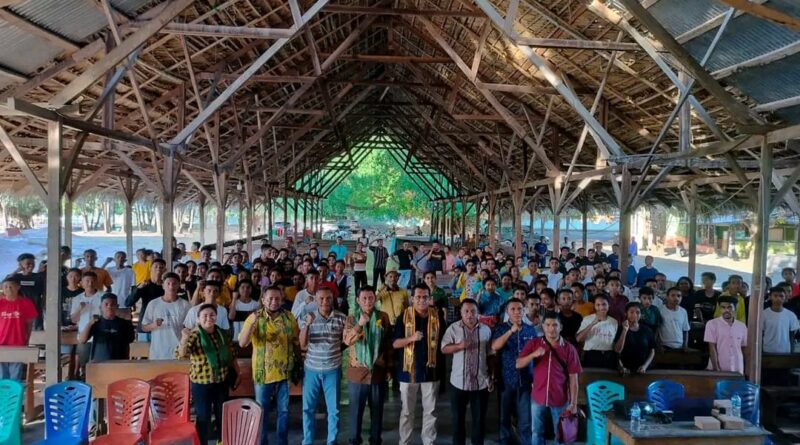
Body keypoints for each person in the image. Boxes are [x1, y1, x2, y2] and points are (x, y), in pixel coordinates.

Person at [239, 286, 301, 445]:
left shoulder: (289, 317)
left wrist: (298, 364)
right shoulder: (254, 317)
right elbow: (242, 342)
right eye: (270, 299)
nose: (274, 302)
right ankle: (262, 442)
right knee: (261, 411)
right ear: (263, 300)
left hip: (284, 372)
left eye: (277, 299)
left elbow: (295, 342)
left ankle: (282, 442)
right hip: (263, 373)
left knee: (284, 411)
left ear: (282, 300)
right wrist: (252, 323)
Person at [176, 304, 241, 445]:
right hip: (201, 384)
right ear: (198, 319)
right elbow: (181, 355)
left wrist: (238, 372)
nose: (209, 318)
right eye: (205, 315)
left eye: (212, 315)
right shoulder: (194, 335)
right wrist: (184, 339)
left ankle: (222, 442)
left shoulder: (222, 334)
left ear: (216, 317)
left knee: (222, 415)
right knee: (203, 417)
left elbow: (232, 355)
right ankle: (202, 442)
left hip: (221, 382)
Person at [517, 313, 581, 445]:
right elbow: (518, 363)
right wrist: (534, 354)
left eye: (555, 325)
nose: (551, 329)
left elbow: (573, 378)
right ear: (543, 327)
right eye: (548, 325)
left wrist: (573, 404)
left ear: (561, 327)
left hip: (560, 398)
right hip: (538, 396)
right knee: (536, 432)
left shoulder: (569, 349)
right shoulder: (534, 343)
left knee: (561, 433)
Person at [393, 284, 445, 445]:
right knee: (407, 412)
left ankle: (428, 441)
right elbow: (395, 343)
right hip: (408, 372)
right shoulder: (403, 316)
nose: (422, 300)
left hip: (431, 371)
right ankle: (405, 442)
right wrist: (411, 339)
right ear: (412, 298)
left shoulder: (437, 317)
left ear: (430, 298)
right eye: (418, 297)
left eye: (425, 297)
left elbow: (443, 345)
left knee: (431, 412)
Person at [343, 286, 393, 445]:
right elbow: (347, 341)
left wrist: (389, 367)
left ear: (375, 299)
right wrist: (359, 324)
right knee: (355, 412)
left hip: (377, 372)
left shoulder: (383, 317)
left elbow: (388, 344)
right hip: (357, 373)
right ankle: (354, 440)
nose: (368, 301)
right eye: (364, 298)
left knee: (377, 411)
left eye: (371, 298)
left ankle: (376, 440)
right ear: (357, 300)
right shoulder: (351, 318)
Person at [441, 299, 492, 445]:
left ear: (478, 313)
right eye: (466, 311)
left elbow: (490, 354)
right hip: (458, 383)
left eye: (473, 311)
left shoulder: (486, 330)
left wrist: (491, 376)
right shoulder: (453, 328)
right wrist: (459, 346)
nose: (470, 315)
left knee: (479, 420)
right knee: (458, 420)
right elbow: (443, 348)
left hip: (480, 383)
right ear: (461, 313)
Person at [299, 287, 346, 445]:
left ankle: (331, 441)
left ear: (332, 299)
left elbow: (347, 341)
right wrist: (307, 325)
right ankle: (307, 441)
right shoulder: (309, 317)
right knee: (308, 409)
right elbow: (302, 344)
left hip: (332, 370)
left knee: (334, 410)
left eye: (328, 298)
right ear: (316, 300)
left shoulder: (341, 318)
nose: (325, 302)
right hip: (311, 369)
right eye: (321, 299)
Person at [492, 298, 538, 445]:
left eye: (520, 309)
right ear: (507, 312)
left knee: (525, 419)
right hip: (506, 379)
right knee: (504, 417)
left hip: (526, 380)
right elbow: (495, 346)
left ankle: (526, 442)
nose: (517, 312)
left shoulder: (531, 330)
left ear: (524, 311)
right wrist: (511, 331)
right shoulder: (501, 328)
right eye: (513, 309)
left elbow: (536, 354)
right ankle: (504, 440)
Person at [141, 272, 191, 360]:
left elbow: (190, 327)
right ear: (163, 285)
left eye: (174, 283)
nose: (171, 286)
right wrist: (154, 325)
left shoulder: (185, 305)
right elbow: (144, 327)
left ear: (178, 285)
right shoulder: (153, 304)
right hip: (158, 352)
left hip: (178, 351)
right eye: (168, 283)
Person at [0, 276, 38, 380]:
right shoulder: (0, 303)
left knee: (15, 375)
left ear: (18, 287)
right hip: (1, 342)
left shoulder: (26, 303)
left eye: (11, 286)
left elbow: (29, 325)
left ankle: (15, 396)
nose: (8, 289)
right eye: (6, 287)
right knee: (2, 376)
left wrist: (27, 340)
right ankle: (3, 396)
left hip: (18, 342)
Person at [79, 293, 135, 361]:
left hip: (120, 364)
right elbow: (82, 340)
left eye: (112, 304)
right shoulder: (95, 323)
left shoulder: (125, 323)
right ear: (100, 307)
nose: (109, 307)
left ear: (117, 306)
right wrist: (90, 323)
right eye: (106, 304)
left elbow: (130, 340)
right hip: (99, 363)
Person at [761, 286, 800, 384]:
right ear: (770, 297)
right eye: (775, 296)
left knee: (783, 379)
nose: (778, 298)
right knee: (768, 379)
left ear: (785, 297)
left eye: (781, 296)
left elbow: (792, 336)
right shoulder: (764, 314)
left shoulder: (790, 315)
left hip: (784, 353)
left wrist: (791, 353)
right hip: (768, 351)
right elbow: (761, 334)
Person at [71, 271, 102, 378]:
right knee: (84, 365)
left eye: (92, 281)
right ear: (82, 283)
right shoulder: (77, 299)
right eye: (87, 281)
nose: (90, 283)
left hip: (100, 335)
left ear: (96, 282)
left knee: (99, 365)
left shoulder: (102, 296)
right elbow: (74, 320)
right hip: (84, 336)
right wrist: (80, 308)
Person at [704, 296, 747, 374]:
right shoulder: (712, 324)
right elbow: (712, 348)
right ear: (719, 308)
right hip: (719, 367)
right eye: (723, 307)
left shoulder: (742, 326)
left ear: (735, 308)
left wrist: (745, 367)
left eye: (730, 307)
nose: (726, 310)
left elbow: (743, 348)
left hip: (737, 368)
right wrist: (716, 368)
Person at [576, 294, 618, 369]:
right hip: (591, 355)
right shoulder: (587, 319)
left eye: (604, 304)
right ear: (594, 306)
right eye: (598, 305)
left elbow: (615, 343)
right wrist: (592, 324)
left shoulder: (614, 322)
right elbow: (578, 339)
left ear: (609, 305)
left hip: (609, 356)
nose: (601, 307)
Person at [126, 259, 167, 336]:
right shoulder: (144, 284)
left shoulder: (167, 286)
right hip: (145, 322)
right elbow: (128, 303)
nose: (158, 269)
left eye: (161, 267)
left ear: (165, 270)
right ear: (150, 268)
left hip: (163, 324)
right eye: (156, 267)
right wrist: (139, 288)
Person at [613, 303, 655, 375]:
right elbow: (617, 350)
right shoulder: (620, 328)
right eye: (631, 312)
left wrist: (645, 366)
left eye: (638, 312)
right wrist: (625, 330)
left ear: (641, 314)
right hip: (625, 369)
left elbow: (652, 350)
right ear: (626, 313)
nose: (635, 315)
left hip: (643, 369)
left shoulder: (647, 330)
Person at [8, 253, 45, 329]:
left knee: (37, 332)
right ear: (20, 265)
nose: (31, 265)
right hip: (20, 310)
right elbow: (3, 284)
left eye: (33, 263)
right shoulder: (16, 277)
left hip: (36, 309)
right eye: (28, 263)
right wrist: (17, 270)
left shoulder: (39, 276)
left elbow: (45, 291)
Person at [658, 287, 690, 351]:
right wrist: (658, 345)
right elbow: (656, 329)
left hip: (680, 347)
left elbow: (685, 330)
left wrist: (685, 345)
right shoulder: (660, 310)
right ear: (667, 297)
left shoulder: (683, 311)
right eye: (673, 295)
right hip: (664, 346)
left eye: (679, 296)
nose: (676, 298)